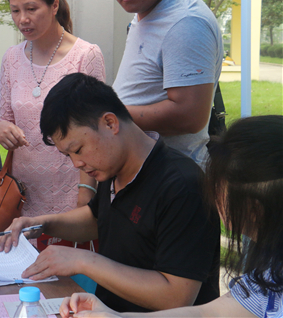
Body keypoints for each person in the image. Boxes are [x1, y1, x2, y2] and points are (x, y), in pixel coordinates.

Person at [0, 73, 221, 313]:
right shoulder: (111, 168)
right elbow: (98, 219)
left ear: (110, 123)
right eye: (68, 155)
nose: (77, 164)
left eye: (78, 150)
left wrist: (82, 260)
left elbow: (176, 297)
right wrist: (41, 224)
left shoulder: (182, 186)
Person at [60, 115, 283, 318]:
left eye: (218, 190)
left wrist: (83, 262)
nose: (213, 199)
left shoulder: (182, 186)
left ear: (254, 210)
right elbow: (212, 313)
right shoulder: (271, 265)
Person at [0, 0, 105, 244]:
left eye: (31, 9)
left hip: (70, 190)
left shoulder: (86, 55)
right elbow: (3, 117)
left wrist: (86, 191)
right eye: (15, 11)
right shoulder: (11, 58)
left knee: (66, 265)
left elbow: (95, 131)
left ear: (54, 6)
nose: (23, 19)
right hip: (22, 194)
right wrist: (2, 128)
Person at [102, 0, 224, 168]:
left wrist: (107, 114)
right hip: (142, 173)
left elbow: (190, 116)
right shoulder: (145, 11)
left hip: (172, 177)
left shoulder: (185, 22)